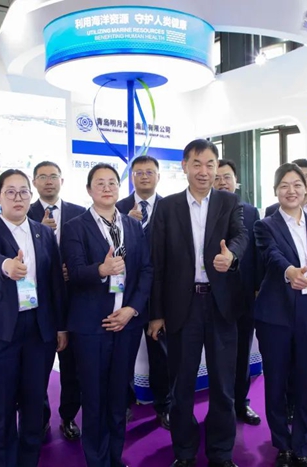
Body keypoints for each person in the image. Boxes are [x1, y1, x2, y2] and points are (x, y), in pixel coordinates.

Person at [149, 139, 248, 467]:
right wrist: (156, 314)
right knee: (182, 386)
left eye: (210, 164)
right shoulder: (168, 207)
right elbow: (157, 262)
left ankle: (221, 453)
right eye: (197, 164)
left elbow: (241, 235)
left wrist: (232, 256)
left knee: (223, 385)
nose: (204, 171)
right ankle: (185, 453)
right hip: (183, 306)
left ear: (217, 168)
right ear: (185, 166)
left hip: (221, 305)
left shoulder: (229, 201)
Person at [0, 169, 67, 467]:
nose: (17, 197)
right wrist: (6, 265)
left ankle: (29, 460)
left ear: (31, 196)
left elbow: (54, 283)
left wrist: (60, 326)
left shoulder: (44, 233)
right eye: (10, 192)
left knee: (34, 403)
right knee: (0, 405)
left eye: (23, 191)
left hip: (38, 328)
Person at [62, 163, 153, 467]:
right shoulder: (75, 226)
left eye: (112, 182)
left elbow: (146, 270)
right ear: (89, 190)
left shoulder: (133, 226)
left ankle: (115, 456)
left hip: (126, 324)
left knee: (118, 397)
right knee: (94, 397)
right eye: (99, 183)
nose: (106, 187)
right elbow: (74, 274)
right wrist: (101, 270)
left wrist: (131, 309)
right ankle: (97, 459)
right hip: (91, 326)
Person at [254, 163, 307, 467]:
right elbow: (271, 254)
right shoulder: (265, 225)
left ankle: (303, 447)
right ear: (276, 191)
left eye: (297, 185)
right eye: (284, 185)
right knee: (276, 381)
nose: (291, 191)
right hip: (276, 314)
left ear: (306, 188)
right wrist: (289, 272)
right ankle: (282, 445)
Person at [27, 161, 85, 441]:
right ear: (34, 182)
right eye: (42, 177)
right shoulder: (24, 213)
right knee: (37, 365)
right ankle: (40, 418)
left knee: (71, 365)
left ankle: (68, 416)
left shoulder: (79, 212)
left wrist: (73, 269)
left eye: (53, 176)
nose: (48, 181)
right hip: (39, 301)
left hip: (74, 299)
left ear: (62, 180)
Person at [115, 155, 170, 430]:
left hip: (161, 294)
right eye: (139, 172)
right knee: (123, 354)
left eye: (150, 172)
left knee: (162, 355)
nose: (145, 176)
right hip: (128, 295)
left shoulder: (172, 207)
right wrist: (125, 224)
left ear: (158, 176)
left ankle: (164, 406)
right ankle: (123, 403)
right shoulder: (118, 208)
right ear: (132, 177)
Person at [215, 159, 262, 426]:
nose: (222, 182)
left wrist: (257, 287)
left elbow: (257, 253)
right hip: (214, 296)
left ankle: (241, 402)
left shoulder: (251, 211)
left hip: (245, 295)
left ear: (236, 182)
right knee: (218, 354)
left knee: (243, 352)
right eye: (217, 177)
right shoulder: (206, 211)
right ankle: (220, 405)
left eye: (227, 177)